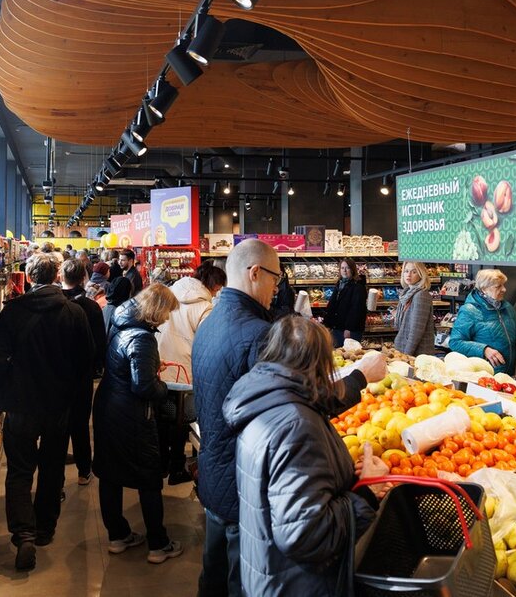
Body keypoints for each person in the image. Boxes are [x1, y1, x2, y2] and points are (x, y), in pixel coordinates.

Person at [192, 239, 385, 597]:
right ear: (255, 273)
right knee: (238, 579)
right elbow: (297, 398)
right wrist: (359, 377)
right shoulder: (256, 335)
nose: (277, 288)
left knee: (213, 575)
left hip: (219, 475)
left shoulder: (209, 322)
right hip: (243, 488)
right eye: (275, 278)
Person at [223, 316, 391, 596]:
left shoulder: (262, 399)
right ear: (319, 364)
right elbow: (304, 535)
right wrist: (367, 493)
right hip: (298, 584)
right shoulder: (297, 426)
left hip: (269, 572)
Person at [0, 254, 94, 572]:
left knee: (20, 471)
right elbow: (86, 361)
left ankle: (24, 535)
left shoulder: (13, 311)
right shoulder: (73, 312)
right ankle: (45, 528)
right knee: (52, 466)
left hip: (21, 405)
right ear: (55, 276)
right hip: (57, 405)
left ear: (30, 276)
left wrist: (6, 389)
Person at [92, 284, 185, 564]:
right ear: (157, 310)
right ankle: (158, 544)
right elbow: (143, 386)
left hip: (109, 406)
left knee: (110, 474)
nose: (167, 319)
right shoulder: (143, 338)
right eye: (167, 312)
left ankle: (118, 536)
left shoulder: (121, 322)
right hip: (133, 415)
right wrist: (163, 387)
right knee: (149, 477)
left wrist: (150, 366)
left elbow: (124, 367)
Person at [156, 263, 226, 484]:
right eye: (218, 289)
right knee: (181, 419)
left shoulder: (170, 294)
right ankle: (177, 468)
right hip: (184, 370)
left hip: (162, 364)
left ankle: (162, 463)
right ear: (213, 285)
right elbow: (207, 345)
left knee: (162, 417)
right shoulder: (205, 308)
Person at [60, 259, 108, 485]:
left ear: (61, 277)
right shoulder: (90, 306)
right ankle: (83, 470)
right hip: (82, 374)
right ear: (83, 278)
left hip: (56, 375)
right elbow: (99, 342)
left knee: (57, 427)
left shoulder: (55, 303)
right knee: (80, 424)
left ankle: (56, 478)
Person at [448, 269, 516, 374]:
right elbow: (455, 342)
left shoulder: (507, 308)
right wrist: (484, 350)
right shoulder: (469, 311)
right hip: (484, 376)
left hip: (510, 374)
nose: (504, 289)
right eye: (498, 286)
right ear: (484, 289)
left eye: (503, 285)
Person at [392, 261, 436, 355]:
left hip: (417, 353)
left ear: (421, 274)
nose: (409, 275)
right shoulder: (407, 293)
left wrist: (406, 355)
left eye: (414, 272)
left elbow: (416, 330)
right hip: (406, 349)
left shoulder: (421, 295)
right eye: (406, 271)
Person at [322, 258, 368, 343]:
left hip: (349, 330)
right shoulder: (339, 284)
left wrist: (349, 329)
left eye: (347, 268)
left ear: (353, 270)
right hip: (338, 327)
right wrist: (327, 324)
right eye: (342, 268)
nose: (344, 270)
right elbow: (333, 305)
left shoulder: (358, 287)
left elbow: (357, 309)